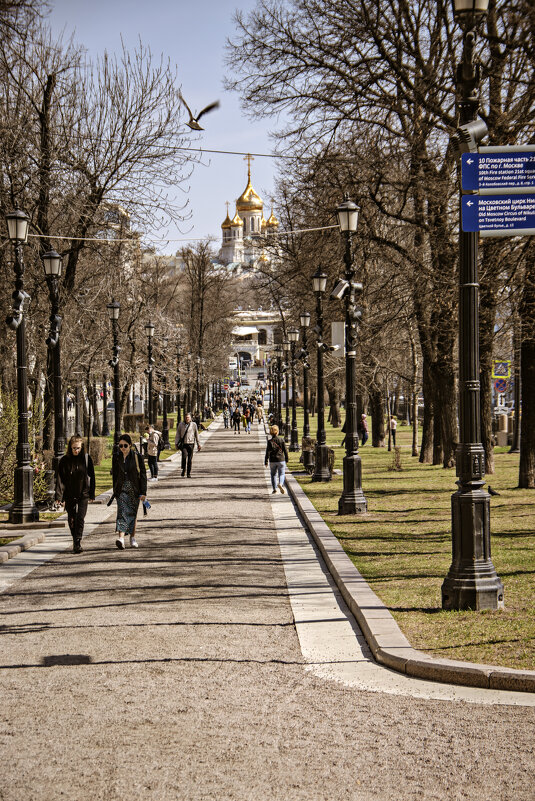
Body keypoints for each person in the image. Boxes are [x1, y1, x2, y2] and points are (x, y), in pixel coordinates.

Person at [55, 435, 95, 554]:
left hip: (83, 492)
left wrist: (92, 493)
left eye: (78, 448)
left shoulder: (86, 459)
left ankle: (78, 541)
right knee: (72, 518)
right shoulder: (64, 460)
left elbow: (92, 477)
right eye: (73, 448)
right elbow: (60, 479)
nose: (76, 450)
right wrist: (58, 496)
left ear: (82, 447)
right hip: (69, 492)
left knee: (80, 517)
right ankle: (74, 538)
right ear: (70, 448)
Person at [112, 434, 147, 550]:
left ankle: (132, 538)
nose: (123, 448)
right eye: (120, 445)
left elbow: (143, 475)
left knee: (132, 514)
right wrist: (115, 490)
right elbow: (115, 475)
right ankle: (121, 538)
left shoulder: (137, 457)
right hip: (121, 489)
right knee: (122, 512)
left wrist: (143, 492)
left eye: (125, 445)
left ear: (130, 445)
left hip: (134, 488)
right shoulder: (116, 457)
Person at [175, 412, 201, 477]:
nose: (187, 419)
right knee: (184, 457)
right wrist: (176, 443)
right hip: (184, 444)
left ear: (190, 418)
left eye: (188, 417)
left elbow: (196, 434)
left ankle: (188, 473)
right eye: (186, 417)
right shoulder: (181, 425)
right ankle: (183, 469)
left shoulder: (193, 425)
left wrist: (198, 444)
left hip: (191, 443)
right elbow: (178, 434)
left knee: (190, 459)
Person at [264, 424, 289, 494]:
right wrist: (286, 459)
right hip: (281, 459)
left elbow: (267, 452)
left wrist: (266, 461)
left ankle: (274, 489)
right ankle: (280, 484)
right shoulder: (281, 439)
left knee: (273, 474)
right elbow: (285, 450)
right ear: (277, 432)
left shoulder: (269, 442)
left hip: (272, 460)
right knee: (281, 474)